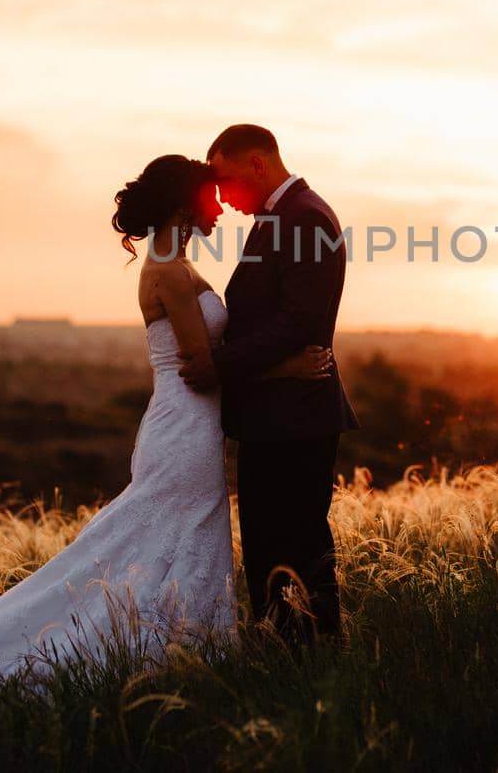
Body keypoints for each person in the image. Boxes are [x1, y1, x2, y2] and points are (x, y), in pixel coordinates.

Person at [0, 153, 333, 690]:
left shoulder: (181, 265)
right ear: (182, 206)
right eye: (209, 196)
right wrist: (286, 366)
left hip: (194, 429)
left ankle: (178, 649)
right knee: (171, 537)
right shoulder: (168, 272)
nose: (219, 206)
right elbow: (199, 370)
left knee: (180, 539)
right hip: (183, 429)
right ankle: (135, 647)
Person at [179, 124, 359, 644]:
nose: (222, 196)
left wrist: (219, 365)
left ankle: (311, 661)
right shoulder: (278, 219)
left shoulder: (304, 217)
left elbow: (298, 322)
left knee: (296, 547)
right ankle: (284, 654)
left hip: (295, 417)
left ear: (258, 165)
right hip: (274, 413)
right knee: (268, 548)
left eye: (227, 181)